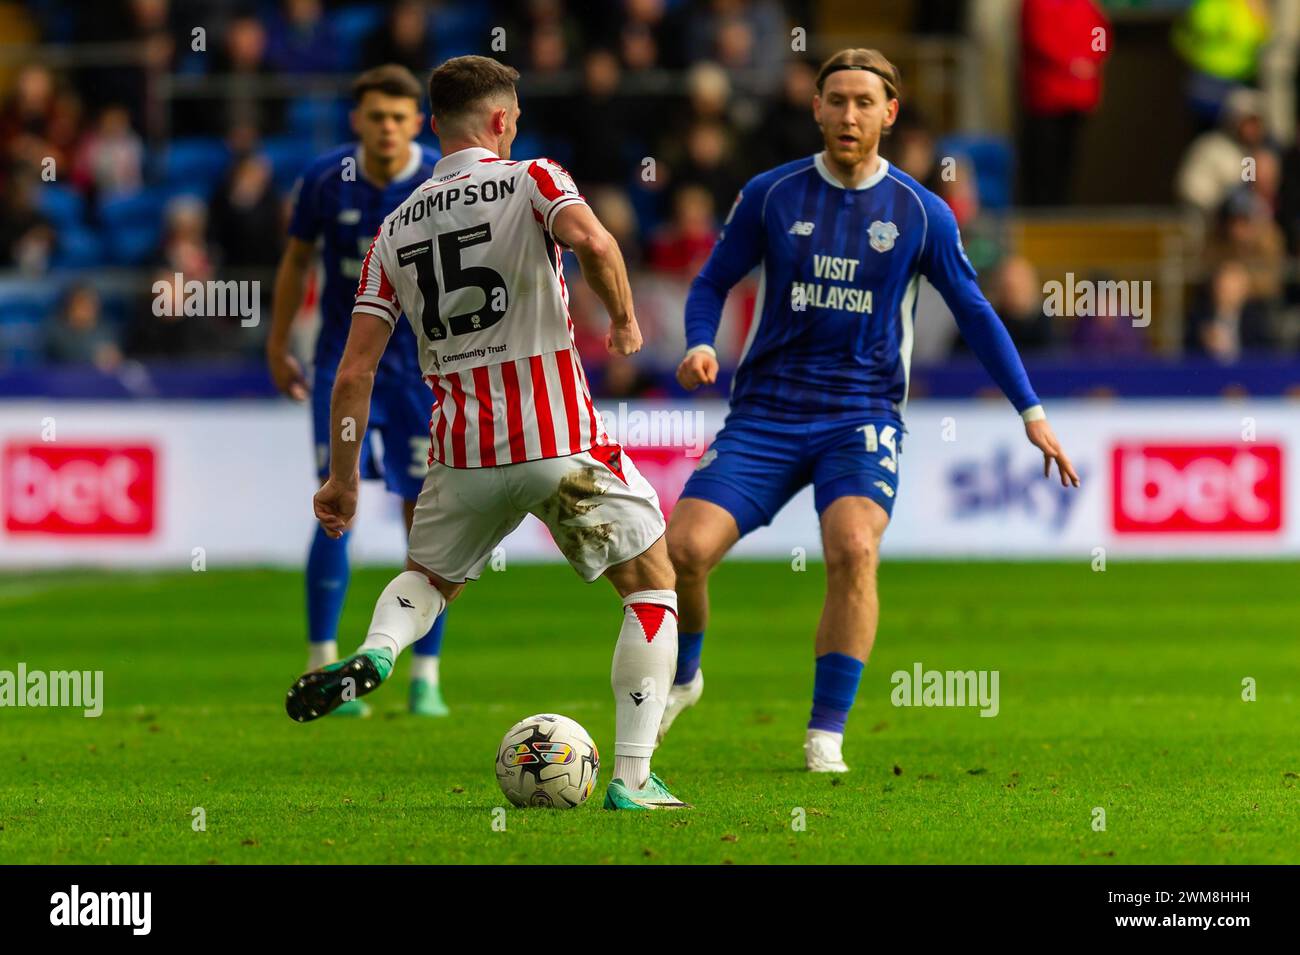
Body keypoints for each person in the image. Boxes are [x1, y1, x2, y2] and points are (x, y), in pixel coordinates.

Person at [285, 55, 689, 812]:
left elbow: (352, 373)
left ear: (433, 125)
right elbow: (595, 243)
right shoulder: (534, 177)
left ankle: (376, 650)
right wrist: (627, 319)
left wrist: (341, 479)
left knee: (429, 580)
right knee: (652, 584)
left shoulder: (392, 228)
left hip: (461, 452)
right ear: (502, 120)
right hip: (559, 440)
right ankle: (634, 778)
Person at [660, 48, 1080, 772]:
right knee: (683, 553)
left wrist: (1030, 409)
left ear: (890, 111)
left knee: (853, 546)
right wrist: (700, 342)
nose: (849, 115)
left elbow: (975, 313)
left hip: (861, 414)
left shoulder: (922, 212)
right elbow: (711, 282)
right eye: (836, 100)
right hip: (765, 412)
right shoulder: (771, 194)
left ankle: (826, 731)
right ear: (816, 108)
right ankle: (685, 673)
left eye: (865, 102)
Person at [267, 64, 449, 718]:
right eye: (376, 116)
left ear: (417, 123)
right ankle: (324, 664)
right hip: (341, 371)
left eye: (400, 117)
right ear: (358, 120)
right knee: (334, 503)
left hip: (425, 372)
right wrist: (276, 340)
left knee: (425, 518)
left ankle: (424, 674)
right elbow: (295, 260)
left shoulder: (443, 178)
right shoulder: (324, 178)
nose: (387, 128)